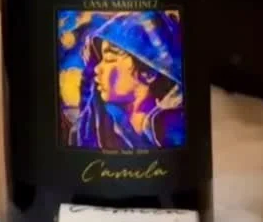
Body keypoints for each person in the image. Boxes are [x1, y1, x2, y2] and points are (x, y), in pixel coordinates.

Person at [74, 11, 185, 150]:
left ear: (148, 73)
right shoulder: (90, 129)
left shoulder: (179, 132)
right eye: (100, 59)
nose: (97, 69)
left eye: (109, 59)